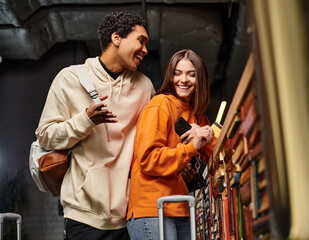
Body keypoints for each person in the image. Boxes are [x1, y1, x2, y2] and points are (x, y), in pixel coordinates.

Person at [35, 12, 155, 240]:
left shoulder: (144, 87)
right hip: (82, 216)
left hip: (130, 215)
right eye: (141, 40)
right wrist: (85, 120)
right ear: (117, 38)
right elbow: (45, 136)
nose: (145, 50)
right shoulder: (70, 79)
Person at [126, 49, 217, 239]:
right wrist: (192, 147)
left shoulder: (199, 117)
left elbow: (221, 155)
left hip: (181, 208)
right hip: (152, 208)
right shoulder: (160, 105)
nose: (183, 80)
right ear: (170, 76)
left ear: (200, 79)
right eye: (178, 73)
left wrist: (206, 134)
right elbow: (148, 160)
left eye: (191, 74)